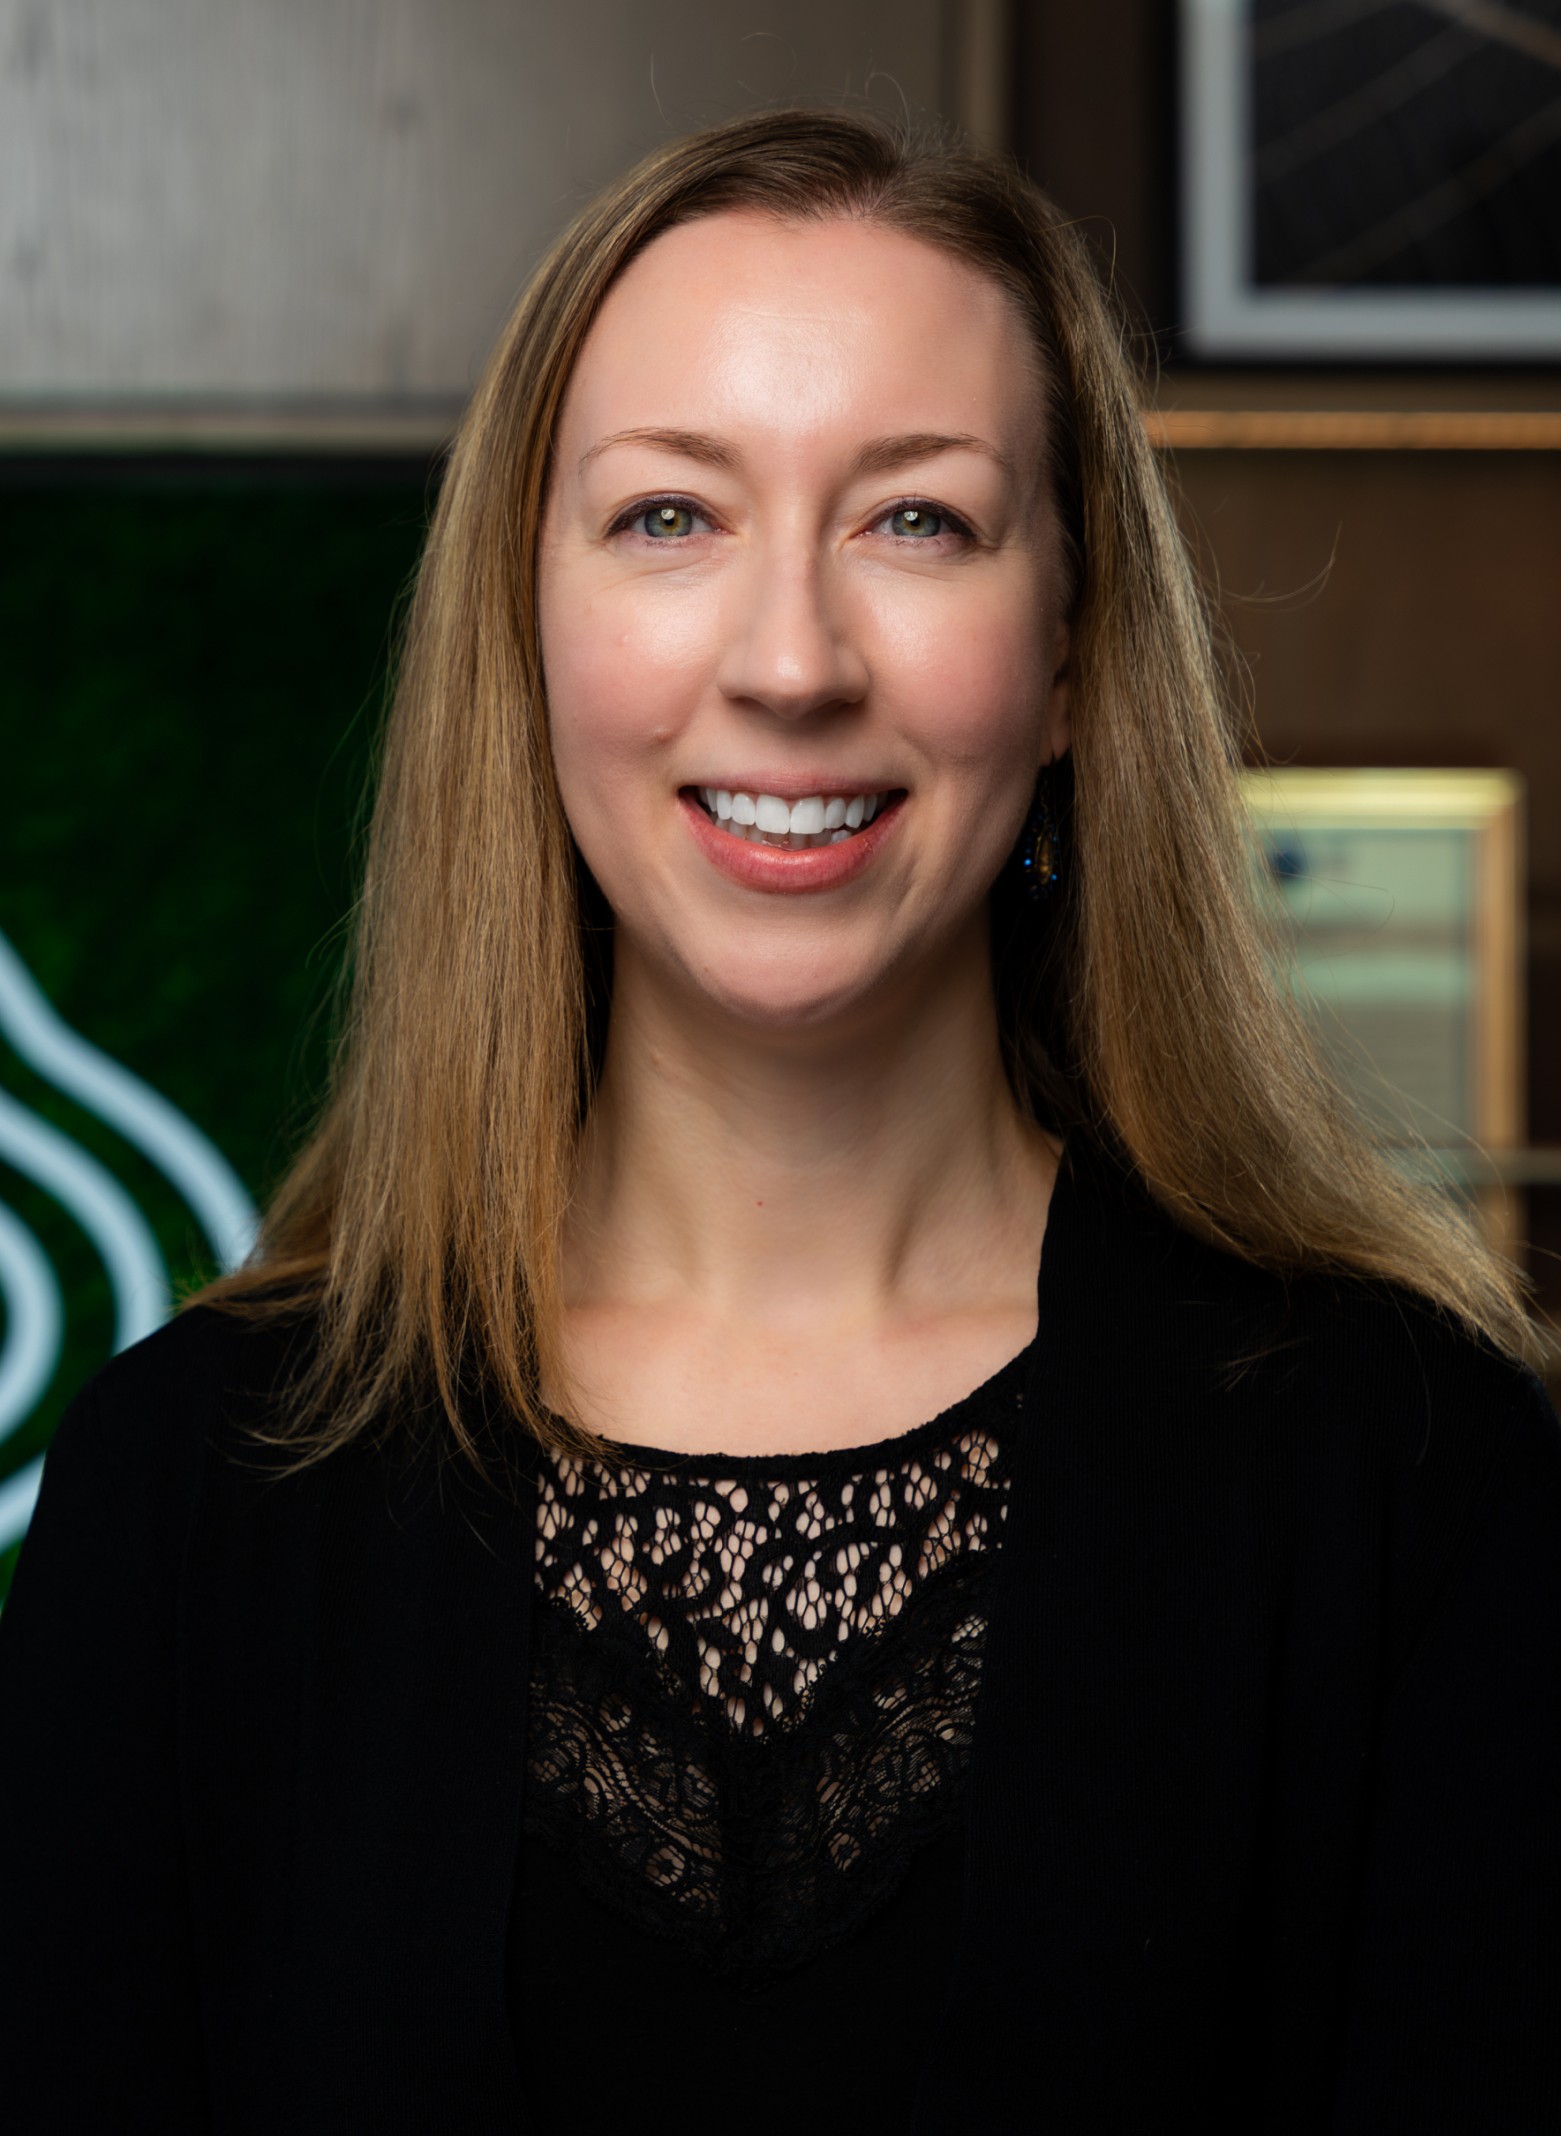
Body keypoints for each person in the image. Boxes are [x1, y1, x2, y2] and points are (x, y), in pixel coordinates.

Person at [2, 105, 1558, 2134]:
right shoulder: (193, 1488)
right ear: (526, 631)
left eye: (916, 520)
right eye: (671, 517)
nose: (795, 660)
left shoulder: (1407, 1471)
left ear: (1072, 649)